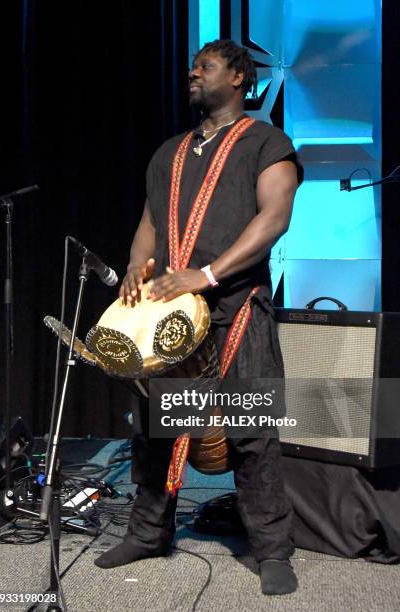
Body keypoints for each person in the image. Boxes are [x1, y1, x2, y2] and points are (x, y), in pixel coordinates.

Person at [95, 39, 302, 596]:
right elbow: (149, 223)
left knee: (254, 431)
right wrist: (138, 268)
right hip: (169, 310)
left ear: (238, 77)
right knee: (154, 430)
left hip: (235, 307)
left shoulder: (267, 141)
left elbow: (274, 218)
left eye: (205, 66)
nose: (192, 72)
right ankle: (148, 532)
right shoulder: (169, 152)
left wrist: (206, 275)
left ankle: (272, 550)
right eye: (192, 65)